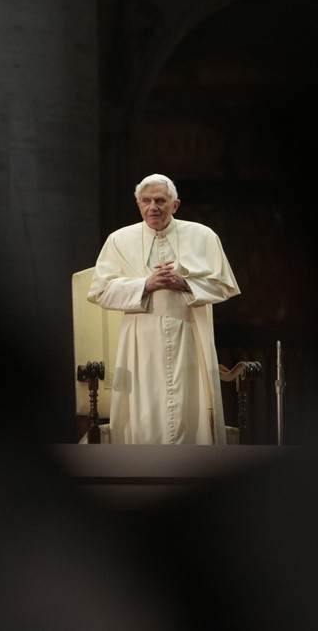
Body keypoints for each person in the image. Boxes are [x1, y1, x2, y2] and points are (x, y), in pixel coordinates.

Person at [87, 173, 240, 444]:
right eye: (146, 201)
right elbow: (100, 292)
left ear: (175, 205)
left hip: (189, 335)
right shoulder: (119, 240)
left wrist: (185, 283)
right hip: (140, 338)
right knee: (144, 412)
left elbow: (225, 287)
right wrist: (145, 284)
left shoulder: (203, 236)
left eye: (160, 200)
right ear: (138, 205)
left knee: (188, 410)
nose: (152, 207)